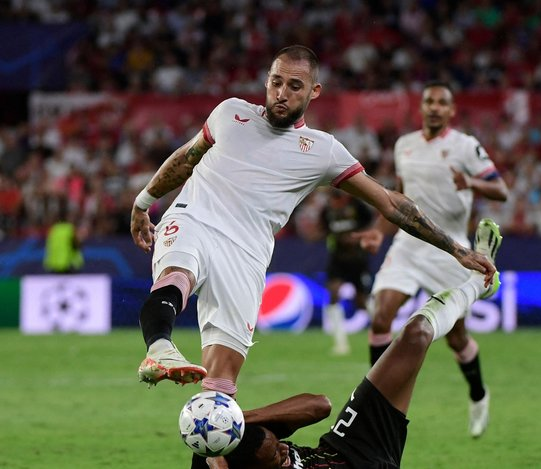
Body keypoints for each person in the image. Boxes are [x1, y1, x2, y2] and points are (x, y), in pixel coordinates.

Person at [130, 46, 496, 400]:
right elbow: (187, 158)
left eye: (294, 86)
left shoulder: (323, 151)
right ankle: (159, 347)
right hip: (195, 218)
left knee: (221, 385)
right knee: (179, 273)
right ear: (267, 80)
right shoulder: (230, 113)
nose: (281, 93)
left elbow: (391, 203)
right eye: (276, 82)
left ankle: (215, 431)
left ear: (314, 91)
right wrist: (143, 203)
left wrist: (457, 250)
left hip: (247, 254)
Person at [193, 219, 502, 469]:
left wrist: (235, 423)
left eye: (280, 444)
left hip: (349, 446)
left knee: (416, 333)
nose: (284, 451)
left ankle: (478, 284)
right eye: (276, 458)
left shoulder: (224, 446)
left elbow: (320, 406)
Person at [355, 81, 508, 438]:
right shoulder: (404, 145)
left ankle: (478, 395)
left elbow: (500, 190)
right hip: (408, 245)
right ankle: (375, 407)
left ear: (451, 111)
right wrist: (378, 231)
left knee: (457, 338)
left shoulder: (466, 146)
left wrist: (471, 182)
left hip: (452, 251)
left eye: (442, 103)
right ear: (421, 107)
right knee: (381, 317)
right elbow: (398, 199)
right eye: (429, 102)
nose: (435, 107)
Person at [320, 188, 374, 355]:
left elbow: (371, 223)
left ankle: (384, 333)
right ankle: (340, 344)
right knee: (333, 294)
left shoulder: (358, 206)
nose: (334, 204)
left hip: (358, 259)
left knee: (361, 301)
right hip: (338, 259)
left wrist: (358, 238)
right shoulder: (327, 211)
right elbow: (325, 231)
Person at [43, 197, 84, 274]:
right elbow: (76, 244)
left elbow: (49, 246)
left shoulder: (53, 229)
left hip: (54, 264)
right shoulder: (70, 229)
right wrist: (81, 241)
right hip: (67, 264)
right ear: (67, 217)